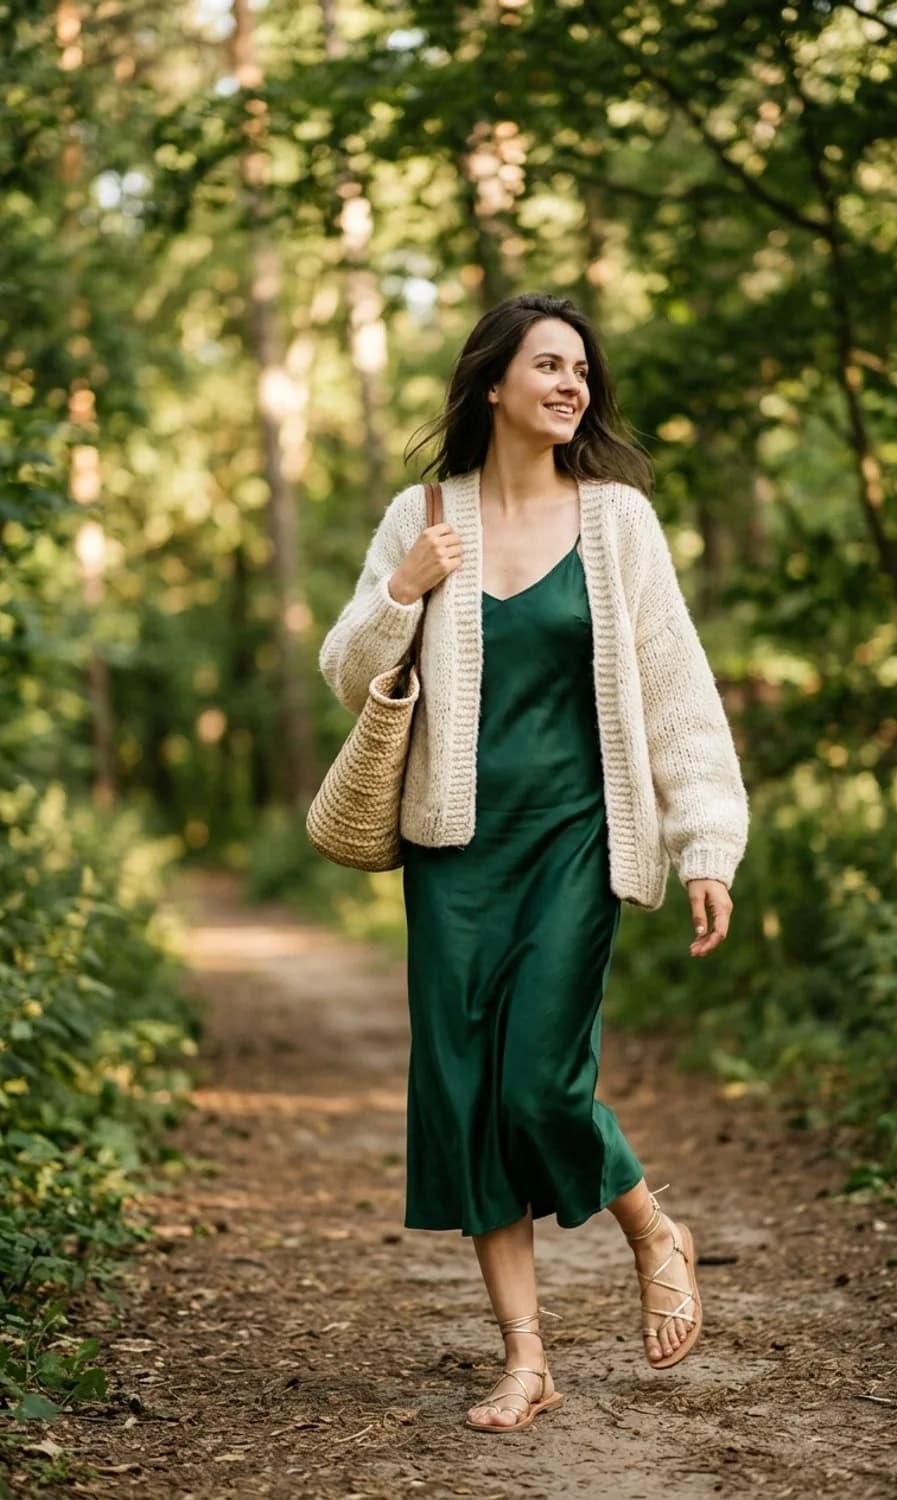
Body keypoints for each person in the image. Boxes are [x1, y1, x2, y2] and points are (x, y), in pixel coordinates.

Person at [319, 291, 749, 1433]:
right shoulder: (423, 515)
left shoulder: (618, 523)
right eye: (548, 366)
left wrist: (706, 839)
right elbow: (342, 664)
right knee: (467, 1099)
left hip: (576, 839)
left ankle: (651, 1226)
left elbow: (676, 693)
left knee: (538, 1085)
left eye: (581, 371)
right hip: (451, 849)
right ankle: (524, 1358)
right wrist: (402, 592)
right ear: (493, 384)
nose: (572, 386)